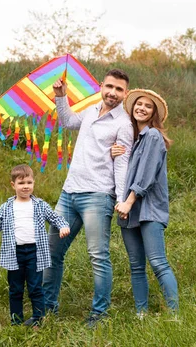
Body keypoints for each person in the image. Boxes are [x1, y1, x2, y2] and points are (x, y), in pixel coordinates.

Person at [43, 69, 133, 327]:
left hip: (97, 195)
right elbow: (67, 121)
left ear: (125, 94)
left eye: (119, 90)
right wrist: (61, 97)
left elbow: (122, 164)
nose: (113, 93)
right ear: (101, 86)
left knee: (98, 256)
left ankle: (99, 314)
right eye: (110, 87)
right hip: (69, 193)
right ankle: (48, 309)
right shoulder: (91, 110)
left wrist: (121, 199)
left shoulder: (123, 124)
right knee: (52, 253)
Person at [0, 164, 70, 327]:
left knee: (36, 288)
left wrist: (63, 226)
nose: (26, 186)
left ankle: (39, 320)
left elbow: (55, 218)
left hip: (35, 253)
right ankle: (16, 322)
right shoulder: (6, 208)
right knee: (16, 289)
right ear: (13, 185)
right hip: (14, 254)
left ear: (34, 183)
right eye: (21, 183)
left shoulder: (40, 205)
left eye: (29, 182)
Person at [112, 89, 179, 317]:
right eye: (138, 104)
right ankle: (141, 314)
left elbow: (146, 176)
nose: (141, 108)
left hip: (148, 210)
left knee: (158, 263)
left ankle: (174, 316)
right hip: (129, 211)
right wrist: (114, 153)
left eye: (147, 106)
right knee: (136, 266)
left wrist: (129, 202)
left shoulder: (152, 136)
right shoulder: (133, 140)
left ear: (154, 114)